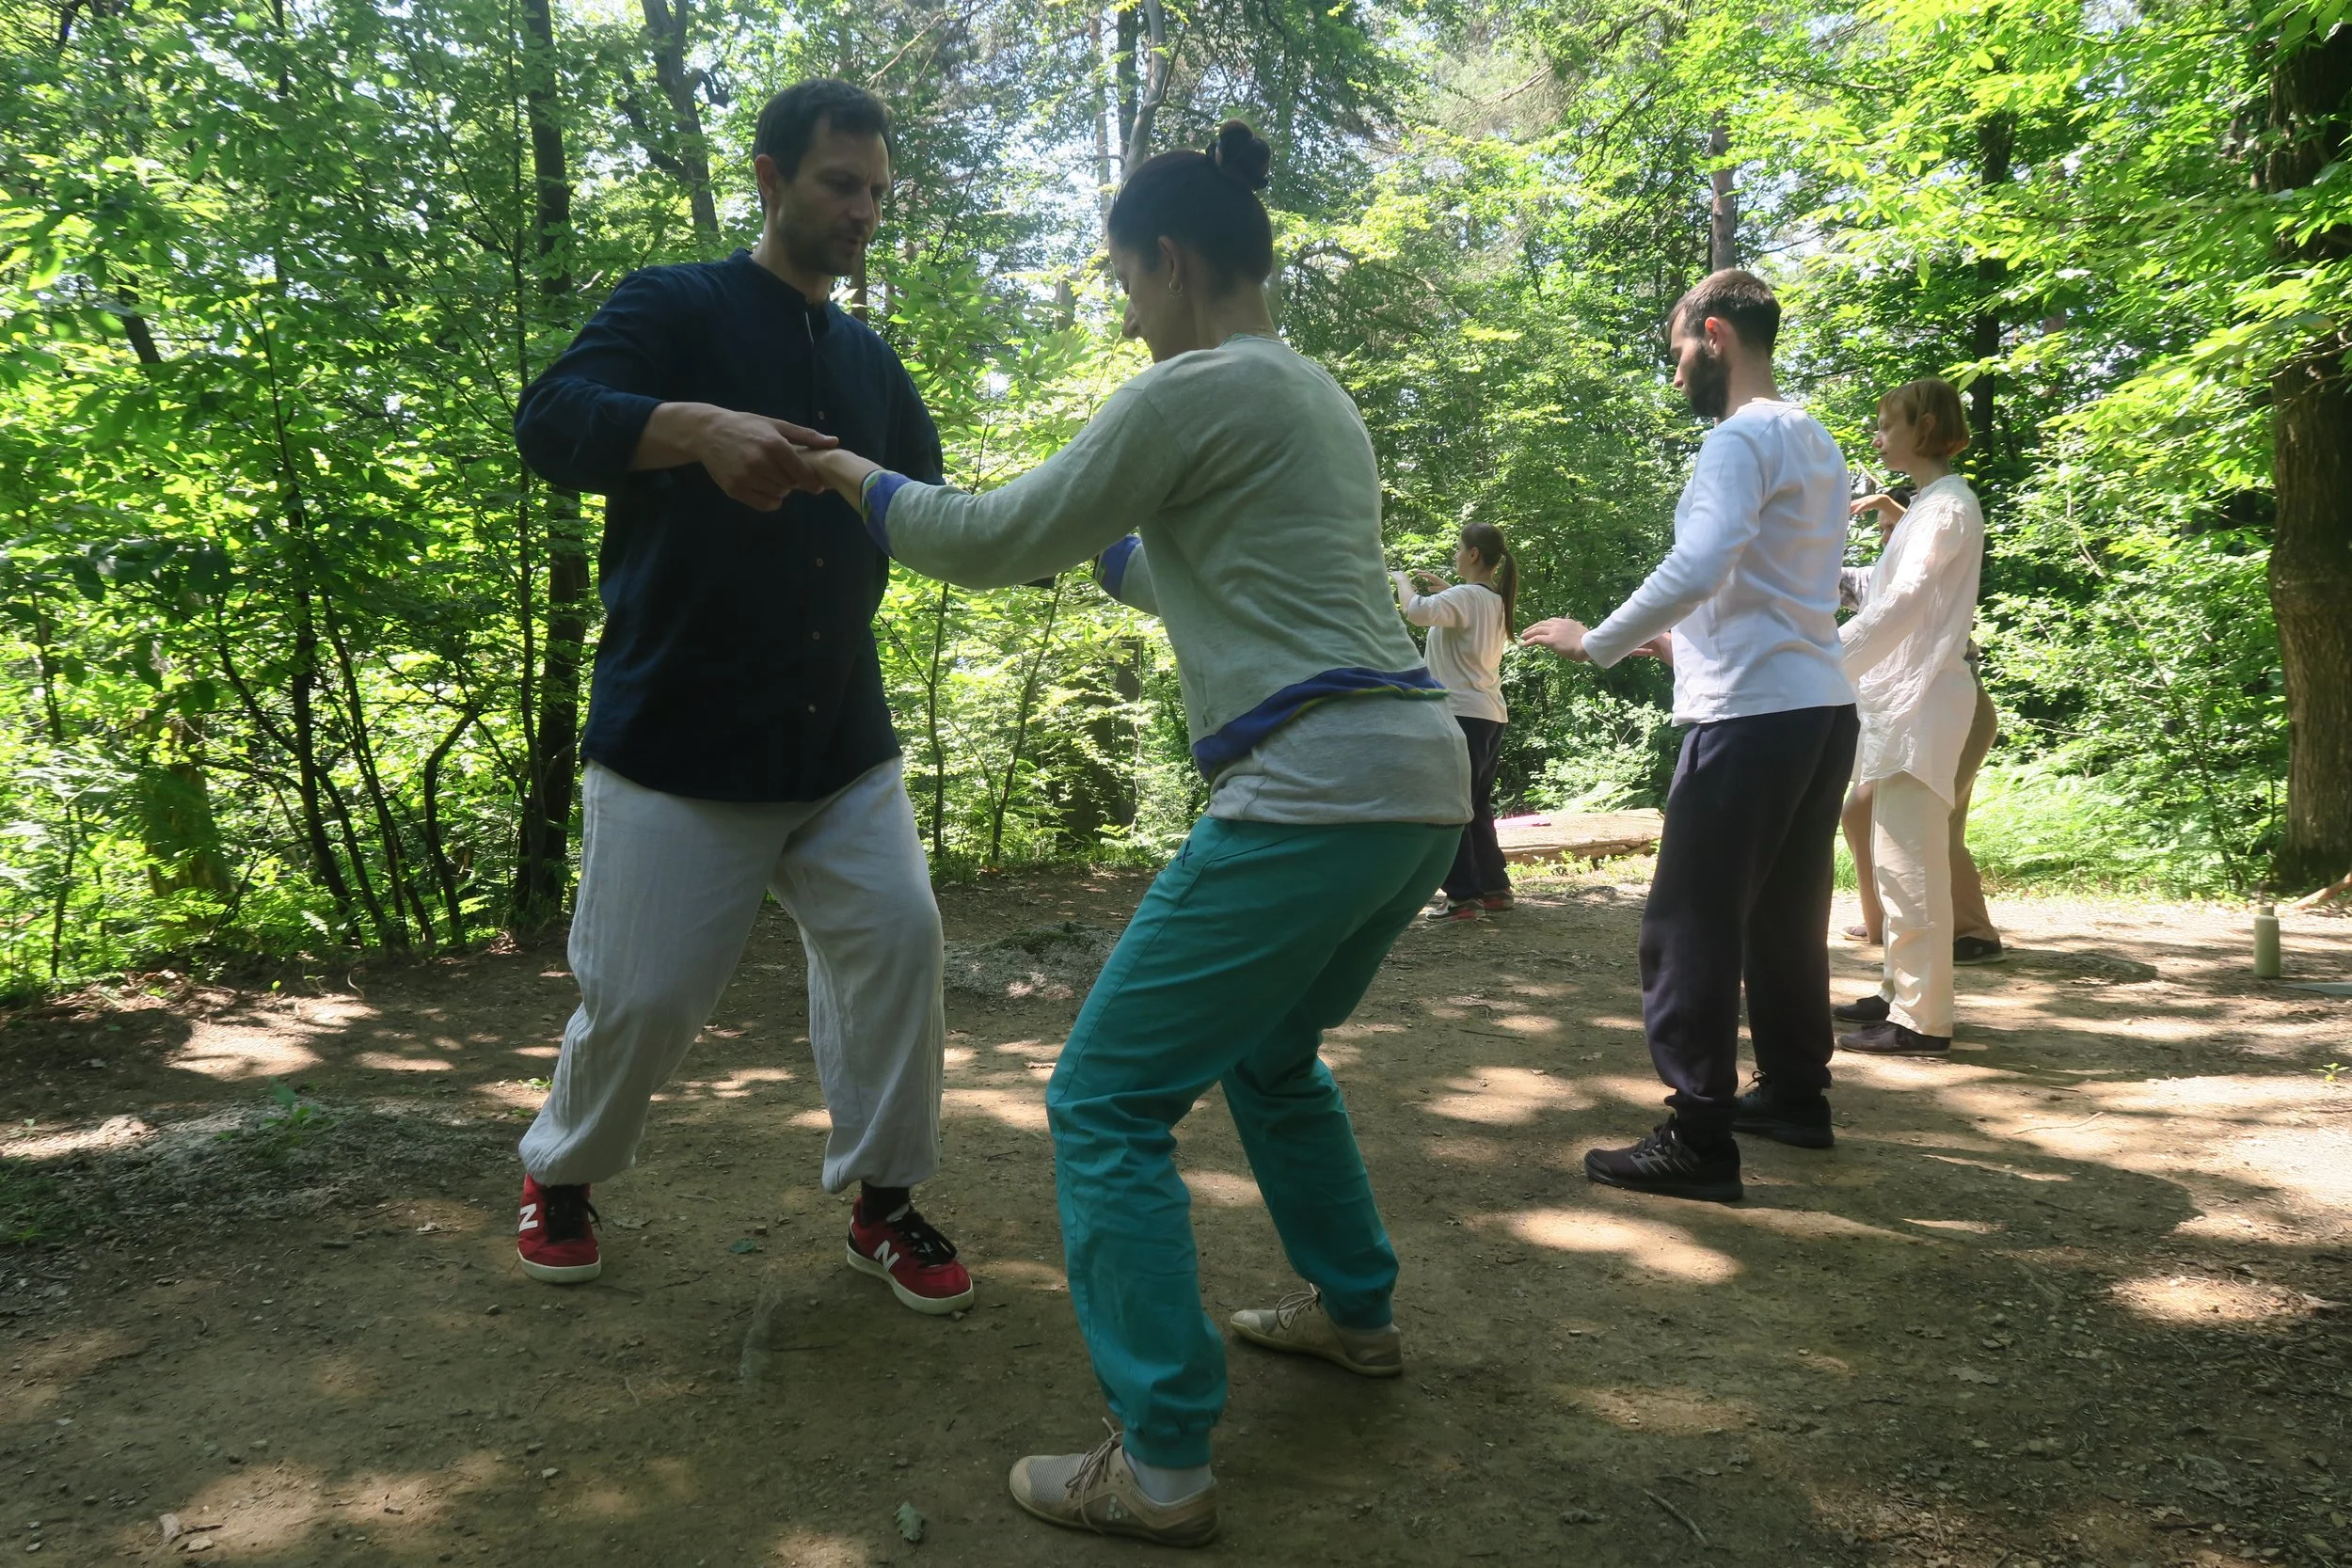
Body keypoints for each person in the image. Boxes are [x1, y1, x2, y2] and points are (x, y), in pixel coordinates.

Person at [800, 120, 1470, 1549]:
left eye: (1123, 279)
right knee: (1272, 1052)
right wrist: (1091, 547)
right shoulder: (1305, 392)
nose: (1124, 308)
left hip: (1313, 790)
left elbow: (980, 538)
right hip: (1416, 783)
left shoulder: (1192, 386)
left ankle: (1163, 1463)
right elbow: (1210, 573)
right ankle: (1358, 1313)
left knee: (1102, 1100)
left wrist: (846, 474)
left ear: (1169, 260)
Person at [505, 79, 974, 1315]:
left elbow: (933, 507)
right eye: (839, 183)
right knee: (644, 995)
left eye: (878, 189)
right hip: (678, 736)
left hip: (840, 739)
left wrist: (1101, 528)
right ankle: (562, 1173)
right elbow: (551, 420)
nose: (863, 208)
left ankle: (884, 1198)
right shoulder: (676, 303)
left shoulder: (870, 360)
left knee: (899, 943)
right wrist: (694, 428)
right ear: (770, 179)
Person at [1520, 268, 1856, 1202]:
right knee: (1783, 915)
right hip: (1817, 707)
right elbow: (1783, 588)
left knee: (1686, 923)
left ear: (1715, 333)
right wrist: (1673, 645)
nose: (1675, 372)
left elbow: (1702, 560)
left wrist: (1601, 639)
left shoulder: (1736, 439)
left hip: (1752, 716)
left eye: (1677, 350)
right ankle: (1796, 1094)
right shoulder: (1814, 439)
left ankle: (1699, 1132)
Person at [1830, 379, 1987, 1055]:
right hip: (1899, 702)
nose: (1876, 435)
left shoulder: (1948, 508)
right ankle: (1900, 990)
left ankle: (1922, 1021)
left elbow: (1906, 601)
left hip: (1923, 700)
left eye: (1885, 423)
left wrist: (1825, 657)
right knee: (1896, 859)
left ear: (1924, 427)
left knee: (1912, 860)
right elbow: (1885, 589)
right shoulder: (1927, 507)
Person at [1838, 488, 2005, 966]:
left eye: (1899, 530)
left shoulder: (1932, 576)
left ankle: (1976, 933)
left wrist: (1902, 513)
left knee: (1934, 824)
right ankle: (1882, 924)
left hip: (1961, 711)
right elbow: (1813, 580)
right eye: (1887, 533)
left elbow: (1937, 534)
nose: (1890, 538)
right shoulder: (1876, 581)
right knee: (1859, 812)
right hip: (1912, 716)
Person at [1392, 522, 1518, 920]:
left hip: (1460, 714)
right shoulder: (1494, 599)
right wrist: (1449, 591)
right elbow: (1464, 618)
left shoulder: (1466, 597)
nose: (1456, 555)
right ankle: (1494, 888)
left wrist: (1400, 580)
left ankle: (1463, 897)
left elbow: (1415, 613)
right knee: (1476, 803)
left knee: (1453, 805)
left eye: (1459, 548)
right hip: (1489, 714)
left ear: (1474, 555)